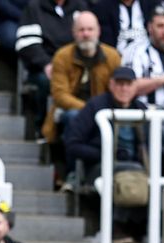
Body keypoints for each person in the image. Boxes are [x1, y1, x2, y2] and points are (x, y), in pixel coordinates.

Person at [44, 11, 121, 147]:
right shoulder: (62, 56)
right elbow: (60, 95)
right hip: (72, 109)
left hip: (104, 110)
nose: (86, 34)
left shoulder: (112, 56)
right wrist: (89, 109)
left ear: (98, 31)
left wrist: (99, 110)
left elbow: (117, 90)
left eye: (90, 29)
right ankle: (72, 166)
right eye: (81, 30)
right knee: (74, 117)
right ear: (74, 33)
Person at [16, 0, 91, 134]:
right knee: (46, 81)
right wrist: (46, 63)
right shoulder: (34, 7)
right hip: (44, 66)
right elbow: (27, 43)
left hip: (77, 65)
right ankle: (44, 127)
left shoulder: (79, 6)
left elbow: (89, 36)